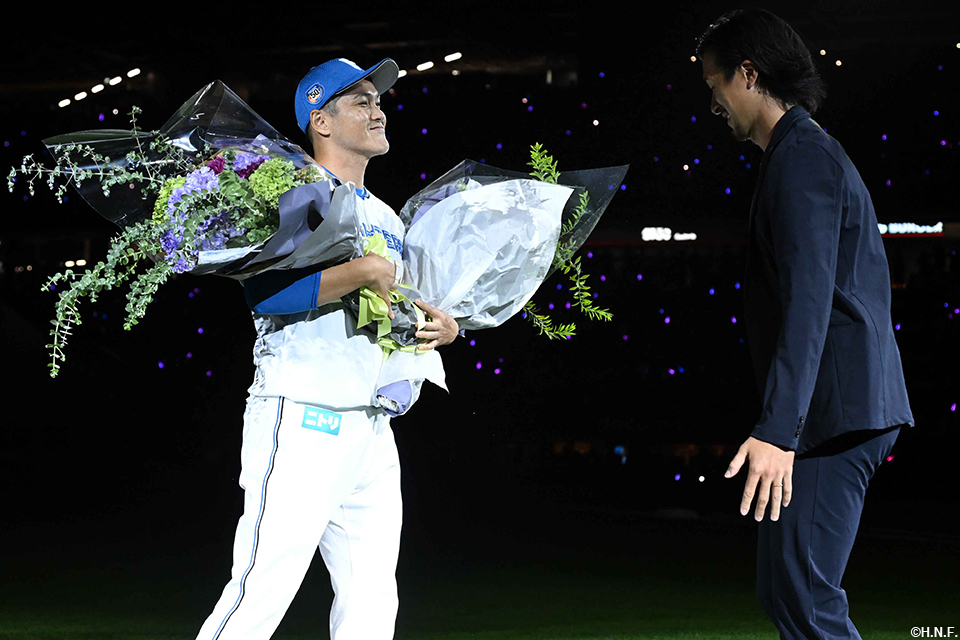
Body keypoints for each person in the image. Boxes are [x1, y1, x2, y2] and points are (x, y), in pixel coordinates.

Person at [194, 57, 460, 640]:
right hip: (302, 415)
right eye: (360, 101)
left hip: (372, 427)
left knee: (371, 604)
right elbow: (265, 294)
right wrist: (364, 270)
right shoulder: (296, 194)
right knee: (258, 595)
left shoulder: (386, 215)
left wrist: (440, 327)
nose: (378, 110)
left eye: (377, 100)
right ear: (321, 120)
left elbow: (396, 304)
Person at [697, 9, 914, 639]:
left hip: (833, 417)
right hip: (836, 411)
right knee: (788, 592)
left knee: (805, 599)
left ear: (748, 72)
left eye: (715, 84)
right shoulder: (800, 153)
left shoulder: (803, 157)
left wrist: (779, 430)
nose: (714, 102)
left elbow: (810, 300)